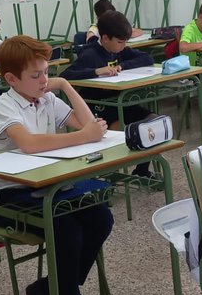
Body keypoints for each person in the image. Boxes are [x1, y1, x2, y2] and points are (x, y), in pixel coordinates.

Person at [0, 35, 115, 295]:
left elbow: (90, 127)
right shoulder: (5, 104)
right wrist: (84, 136)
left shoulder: (46, 98)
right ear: (11, 79)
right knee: (67, 228)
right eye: (36, 75)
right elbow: (30, 144)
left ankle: (49, 289)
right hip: (9, 193)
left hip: (48, 186)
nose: (44, 80)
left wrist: (66, 86)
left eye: (46, 72)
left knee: (101, 217)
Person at [61, 10, 158, 179]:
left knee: (153, 121)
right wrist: (96, 71)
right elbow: (66, 75)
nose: (123, 45)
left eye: (125, 42)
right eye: (120, 42)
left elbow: (147, 58)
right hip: (99, 106)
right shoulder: (90, 54)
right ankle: (109, 175)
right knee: (117, 128)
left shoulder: (119, 50)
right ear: (105, 38)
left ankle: (141, 170)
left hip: (120, 102)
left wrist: (122, 66)